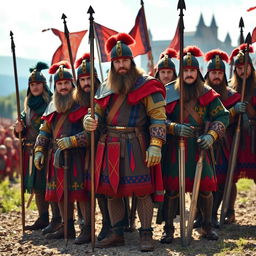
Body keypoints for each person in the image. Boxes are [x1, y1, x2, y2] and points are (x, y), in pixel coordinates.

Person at [83, 33, 166, 252]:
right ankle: (116, 233)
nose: (121, 65)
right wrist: (89, 121)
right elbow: (97, 113)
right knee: (111, 191)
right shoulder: (105, 87)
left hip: (135, 144)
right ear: (112, 63)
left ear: (131, 61)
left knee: (142, 190)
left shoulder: (147, 85)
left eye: (125, 61)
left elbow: (158, 116)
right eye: (117, 61)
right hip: (109, 143)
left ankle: (146, 234)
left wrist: (156, 143)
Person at [161, 46, 229, 243]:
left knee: (206, 188)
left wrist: (212, 135)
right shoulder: (168, 93)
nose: (189, 74)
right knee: (173, 190)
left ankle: (207, 226)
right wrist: (173, 127)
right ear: (180, 72)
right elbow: (157, 118)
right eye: (185, 70)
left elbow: (222, 116)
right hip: (176, 146)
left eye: (192, 70)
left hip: (200, 146)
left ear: (198, 71)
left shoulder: (206, 93)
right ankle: (168, 229)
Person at [34, 61, 89, 241]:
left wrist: (72, 141)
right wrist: (40, 150)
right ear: (55, 86)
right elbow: (45, 130)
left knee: (80, 194)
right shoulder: (52, 105)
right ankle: (67, 227)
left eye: (66, 83)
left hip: (78, 156)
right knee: (61, 194)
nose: (63, 87)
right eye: (59, 84)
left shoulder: (81, 104)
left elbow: (90, 134)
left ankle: (87, 229)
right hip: (57, 156)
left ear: (72, 84)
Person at [13, 62, 58, 231]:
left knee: (49, 185)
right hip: (30, 150)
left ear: (44, 86)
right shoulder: (27, 107)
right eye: (32, 84)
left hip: (48, 150)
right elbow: (22, 129)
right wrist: (18, 129)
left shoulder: (51, 104)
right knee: (37, 187)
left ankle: (57, 219)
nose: (35, 87)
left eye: (38, 83)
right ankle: (43, 218)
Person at [204, 49, 245, 227]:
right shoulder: (200, 92)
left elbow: (232, 121)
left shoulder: (232, 95)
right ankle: (202, 215)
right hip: (204, 141)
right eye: (214, 73)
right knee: (203, 181)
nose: (217, 77)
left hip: (224, 144)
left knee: (222, 179)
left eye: (220, 73)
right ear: (208, 74)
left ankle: (217, 214)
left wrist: (236, 110)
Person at [226, 43, 256, 223]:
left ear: (251, 67)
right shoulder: (230, 89)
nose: (242, 70)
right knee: (231, 176)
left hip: (254, 136)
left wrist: (250, 108)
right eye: (239, 67)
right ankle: (229, 211)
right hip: (236, 137)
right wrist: (235, 109)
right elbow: (224, 114)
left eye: (245, 67)